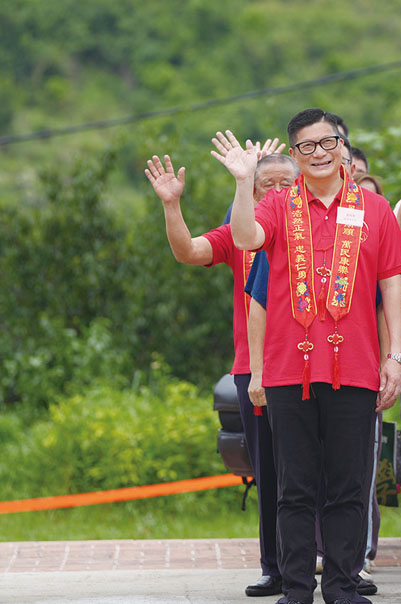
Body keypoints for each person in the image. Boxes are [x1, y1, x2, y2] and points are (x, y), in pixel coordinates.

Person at [215, 107, 401, 604]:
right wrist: (243, 183)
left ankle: (344, 588)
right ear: (295, 153)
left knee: (349, 485)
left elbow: (392, 283)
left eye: (327, 143)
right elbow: (244, 239)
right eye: (307, 146)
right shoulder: (279, 205)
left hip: (357, 367)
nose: (319, 153)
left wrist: (397, 355)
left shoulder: (374, 209)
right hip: (287, 369)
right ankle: (296, 589)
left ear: (342, 146)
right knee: (294, 488)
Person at [145, 145, 294, 599]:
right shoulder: (240, 236)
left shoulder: (323, 233)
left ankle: (341, 563)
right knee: (269, 472)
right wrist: (172, 204)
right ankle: (275, 567)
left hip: (315, 368)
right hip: (256, 373)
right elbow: (189, 251)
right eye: (265, 185)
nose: (277, 192)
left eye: (286, 184)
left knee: (323, 471)